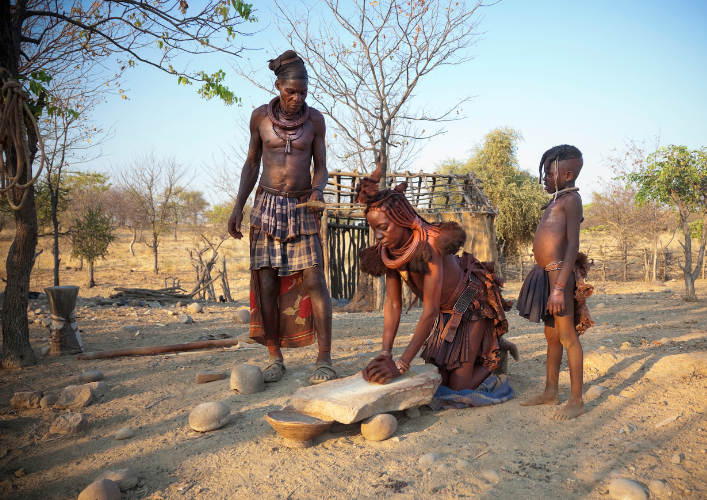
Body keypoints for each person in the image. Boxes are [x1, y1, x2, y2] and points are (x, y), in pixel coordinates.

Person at [356, 161, 515, 391]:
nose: (378, 236)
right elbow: (392, 304)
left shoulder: (429, 245)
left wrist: (401, 365)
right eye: (374, 230)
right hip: (444, 312)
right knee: (440, 381)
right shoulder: (389, 252)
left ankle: (496, 357)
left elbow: (429, 310)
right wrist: (385, 353)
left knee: (459, 387)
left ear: (402, 219)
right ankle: (478, 355)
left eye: (383, 227)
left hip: (469, 303)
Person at [227, 50, 336, 385]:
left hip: (302, 206)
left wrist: (318, 191)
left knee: (315, 279)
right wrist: (238, 206)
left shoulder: (315, 120)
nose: (297, 98)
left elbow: (322, 166)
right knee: (266, 283)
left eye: (303, 92)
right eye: (291, 91)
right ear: (278, 86)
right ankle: (275, 356)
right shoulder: (260, 118)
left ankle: (324, 358)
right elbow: (251, 164)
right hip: (266, 206)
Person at [517, 144, 595, 420]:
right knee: (551, 335)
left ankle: (576, 400)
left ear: (567, 174)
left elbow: (573, 245)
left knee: (567, 337)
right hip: (546, 275)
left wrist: (560, 288)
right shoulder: (555, 201)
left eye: (549, 173)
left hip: (558, 276)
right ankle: (551, 391)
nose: (545, 179)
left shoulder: (571, 201)